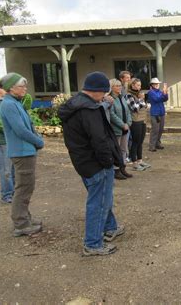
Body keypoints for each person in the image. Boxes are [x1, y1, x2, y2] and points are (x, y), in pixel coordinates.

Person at [58, 71, 125, 256]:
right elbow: (99, 140)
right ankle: (93, 243)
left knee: (102, 197)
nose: (105, 96)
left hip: (82, 161)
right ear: (96, 91)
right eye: (104, 92)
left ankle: (110, 227)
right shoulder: (90, 110)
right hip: (96, 163)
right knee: (99, 202)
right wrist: (108, 162)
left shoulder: (74, 105)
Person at [0, 73, 44, 237]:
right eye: (21, 86)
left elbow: (27, 126)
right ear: (11, 88)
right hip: (21, 152)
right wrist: (38, 141)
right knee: (23, 187)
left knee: (26, 186)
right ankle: (21, 224)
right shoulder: (9, 105)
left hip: (25, 151)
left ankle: (25, 218)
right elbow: (20, 130)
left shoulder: (15, 103)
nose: (25, 89)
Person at [108, 79, 133, 180]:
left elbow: (127, 112)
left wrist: (128, 123)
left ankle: (123, 168)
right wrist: (122, 124)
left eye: (120, 85)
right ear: (112, 87)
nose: (120, 87)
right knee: (115, 150)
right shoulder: (110, 99)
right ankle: (116, 170)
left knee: (123, 150)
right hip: (116, 129)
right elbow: (111, 114)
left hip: (125, 129)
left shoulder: (122, 97)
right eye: (117, 85)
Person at [126, 78, 151, 171]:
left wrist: (142, 101)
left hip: (143, 120)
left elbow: (144, 106)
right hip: (135, 122)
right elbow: (135, 108)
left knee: (140, 142)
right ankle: (134, 163)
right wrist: (141, 100)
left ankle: (140, 160)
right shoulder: (129, 96)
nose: (139, 87)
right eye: (137, 85)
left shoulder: (138, 95)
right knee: (135, 142)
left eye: (140, 85)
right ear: (132, 85)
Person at [146, 77, 168, 152]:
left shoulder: (159, 91)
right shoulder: (151, 92)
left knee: (160, 130)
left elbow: (165, 99)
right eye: (155, 84)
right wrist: (164, 93)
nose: (156, 85)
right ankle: (152, 146)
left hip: (161, 112)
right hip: (155, 113)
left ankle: (157, 143)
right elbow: (157, 99)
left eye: (157, 84)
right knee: (155, 130)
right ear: (151, 85)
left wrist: (165, 93)